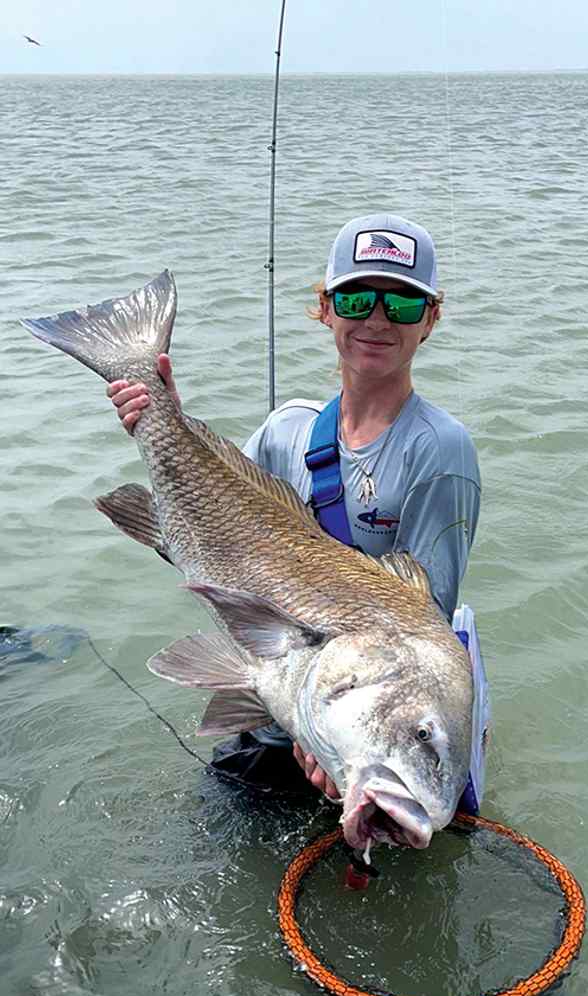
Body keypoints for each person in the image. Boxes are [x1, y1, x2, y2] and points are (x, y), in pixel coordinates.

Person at [107, 213, 481, 802]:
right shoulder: (288, 429)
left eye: (403, 305)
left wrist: (337, 745)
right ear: (326, 308)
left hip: (366, 736)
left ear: (430, 319)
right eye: (356, 299)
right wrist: (164, 416)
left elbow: (421, 632)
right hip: (273, 717)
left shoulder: (439, 449)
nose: (376, 320)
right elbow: (211, 550)